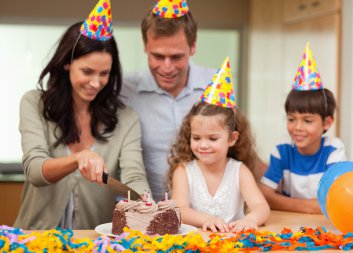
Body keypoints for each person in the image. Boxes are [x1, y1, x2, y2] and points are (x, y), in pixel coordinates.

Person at [14, 0, 150, 230]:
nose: (96, 83)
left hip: (94, 241)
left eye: (104, 73)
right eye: (87, 71)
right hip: (33, 239)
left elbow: (134, 174)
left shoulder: (126, 119)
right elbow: (35, 171)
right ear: (67, 63)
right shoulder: (34, 103)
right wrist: (78, 158)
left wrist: (146, 200)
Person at [121, 0, 216, 201]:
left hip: (204, 216)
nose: (166, 67)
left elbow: (234, 146)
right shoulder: (124, 90)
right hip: (143, 211)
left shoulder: (214, 85)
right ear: (146, 46)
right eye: (158, 56)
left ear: (193, 46)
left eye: (176, 57)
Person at [167, 58, 270, 233]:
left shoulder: (239, 171)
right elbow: (179, 210)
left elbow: (261, 206)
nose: (203, 145)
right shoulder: (183, 171)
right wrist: (206, 219)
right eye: (197, 138)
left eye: (212, 139)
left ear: (232, 138)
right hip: (194, 245)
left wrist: (251, 219)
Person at [259, 43, 346, 214]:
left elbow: (334, 202)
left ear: (327, 123)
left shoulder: (334, 150)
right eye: (291, 119)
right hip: (289, 225)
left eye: (307, 121)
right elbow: (264, 195)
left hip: (323, 227)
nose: (297, 128)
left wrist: (282, 201)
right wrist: (312, 206)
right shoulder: (282, 148)